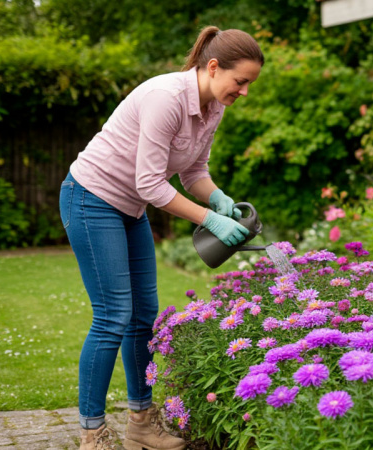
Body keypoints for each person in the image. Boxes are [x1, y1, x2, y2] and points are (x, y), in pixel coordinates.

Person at [59, 26, 263, 449]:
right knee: (113, 315)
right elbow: (151, 183)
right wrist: (211, 220)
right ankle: (92, 432)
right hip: (91, 199)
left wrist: (218, 197)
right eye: (240, 81)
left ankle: (141, 424)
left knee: (143, 318)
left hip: (130, 209)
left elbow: (193, 172)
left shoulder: (213, 108)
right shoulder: (166, 98)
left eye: (249, 84)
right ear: (212, 67)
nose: (244, 91)